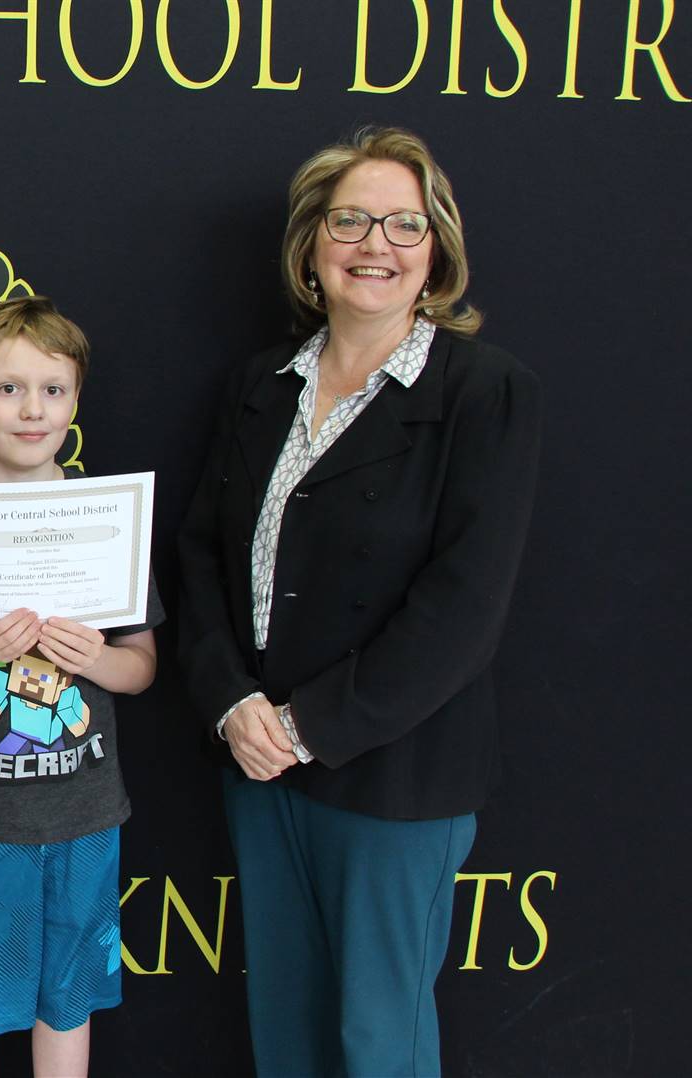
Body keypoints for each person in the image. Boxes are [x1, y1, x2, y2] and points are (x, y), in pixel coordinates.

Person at [176, 126, 542, 1077]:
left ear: (437, 253)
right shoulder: (262, 383)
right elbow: (204, 552)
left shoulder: (484, 393)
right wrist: (232, 703)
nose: (374, 244)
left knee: (379, 1042)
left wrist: (309, 725)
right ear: (310, 246)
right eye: (349, 221)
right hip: (260, 768)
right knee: (284, 1031)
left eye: (403, 224)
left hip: (394, 777)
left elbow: (464, 606)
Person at [0, 297, 161, 1077]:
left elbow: (141, 666)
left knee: (68, 999)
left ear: (76, 400)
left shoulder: (109, 518)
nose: (32, 408)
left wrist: (90, 658)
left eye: (52, 389)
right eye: (9, 388)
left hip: (84, 813)